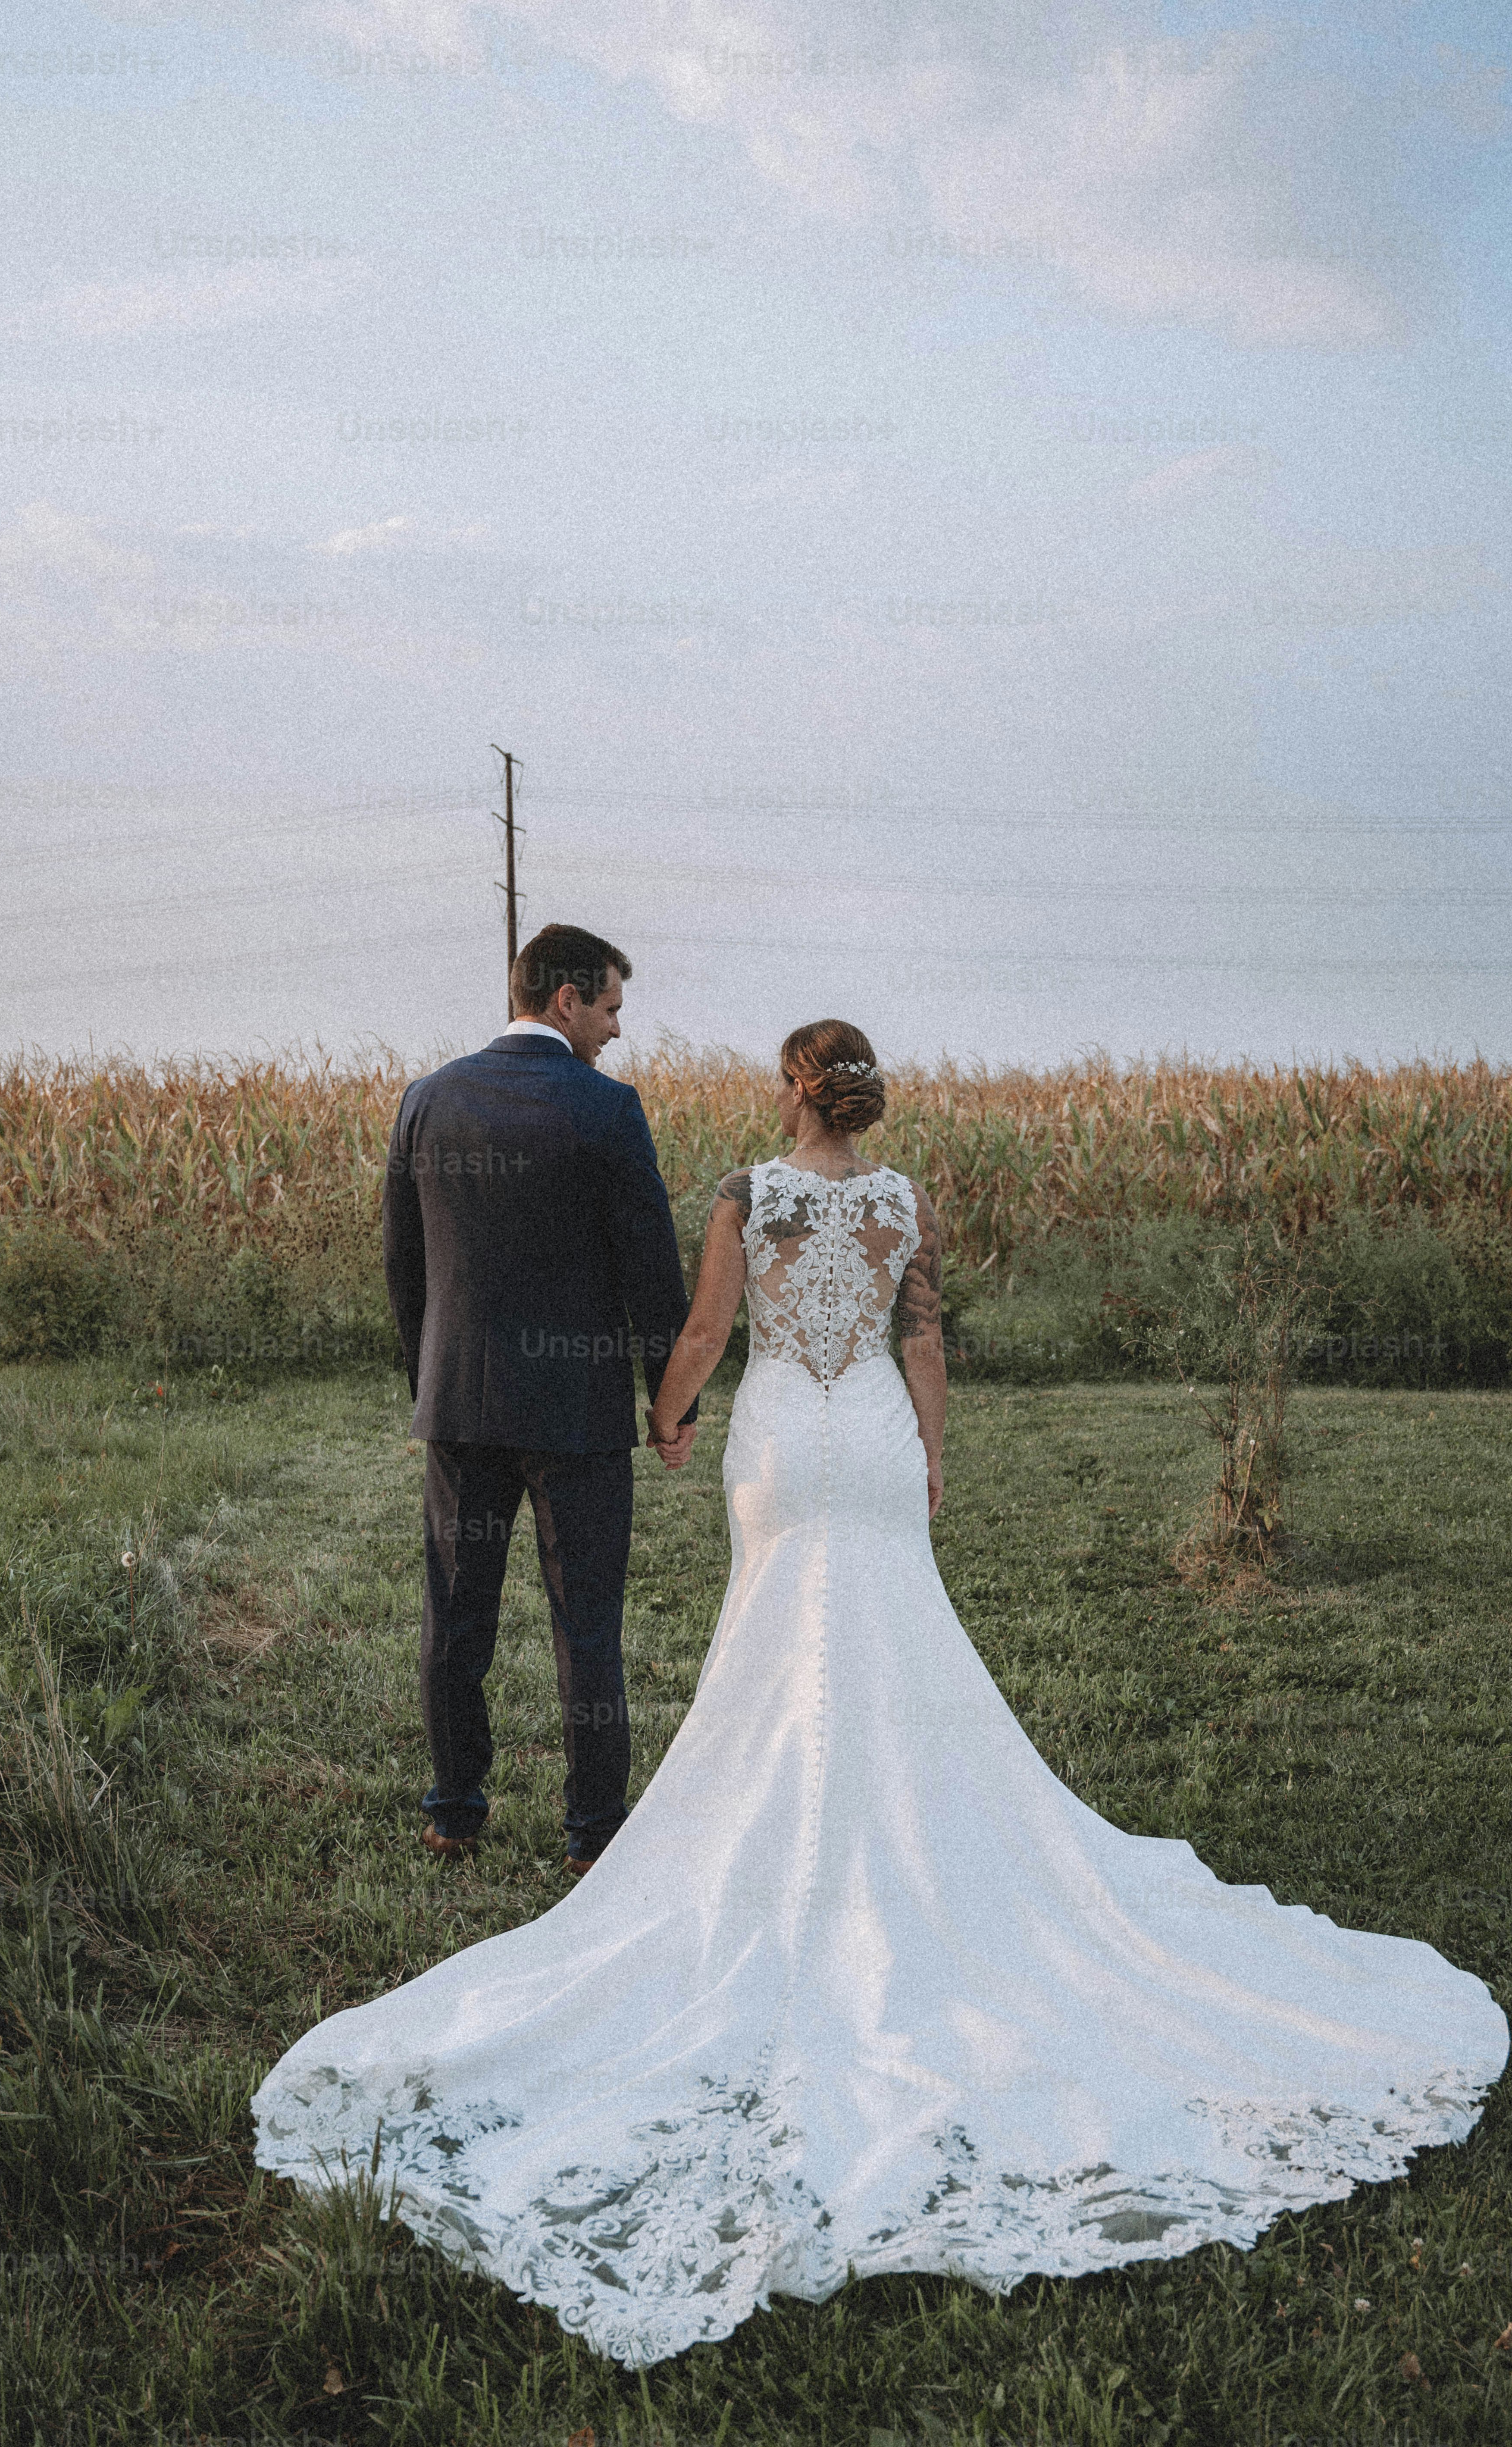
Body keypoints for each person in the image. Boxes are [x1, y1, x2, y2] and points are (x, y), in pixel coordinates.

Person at [257, 1017, 1506, 2369]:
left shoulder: (751, 1191)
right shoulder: (904, 1202)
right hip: (868, 1438)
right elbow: (925, 1347)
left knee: (774, 1645)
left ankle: (784, 1847)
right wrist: (930, 1459)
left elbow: (709, 1327)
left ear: (791, 1092)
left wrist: (668, 1414)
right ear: (860, 1096)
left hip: (787, 1440)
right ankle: (911, 1851)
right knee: (892, 1644)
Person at [380, 921, 695, 1874]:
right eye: (608, 1008)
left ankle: (452, 1813)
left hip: (459, 1407)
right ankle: (592, 1835)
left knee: (454, 1613)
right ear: (566, 1000)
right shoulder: (605, 1109)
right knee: (586, 1623)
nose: (615, 1030)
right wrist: (668, 1400)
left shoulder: (427, 1099)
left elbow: (404, 1265)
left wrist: (425, 1379)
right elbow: (651, 1269)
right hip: (577, 1417)